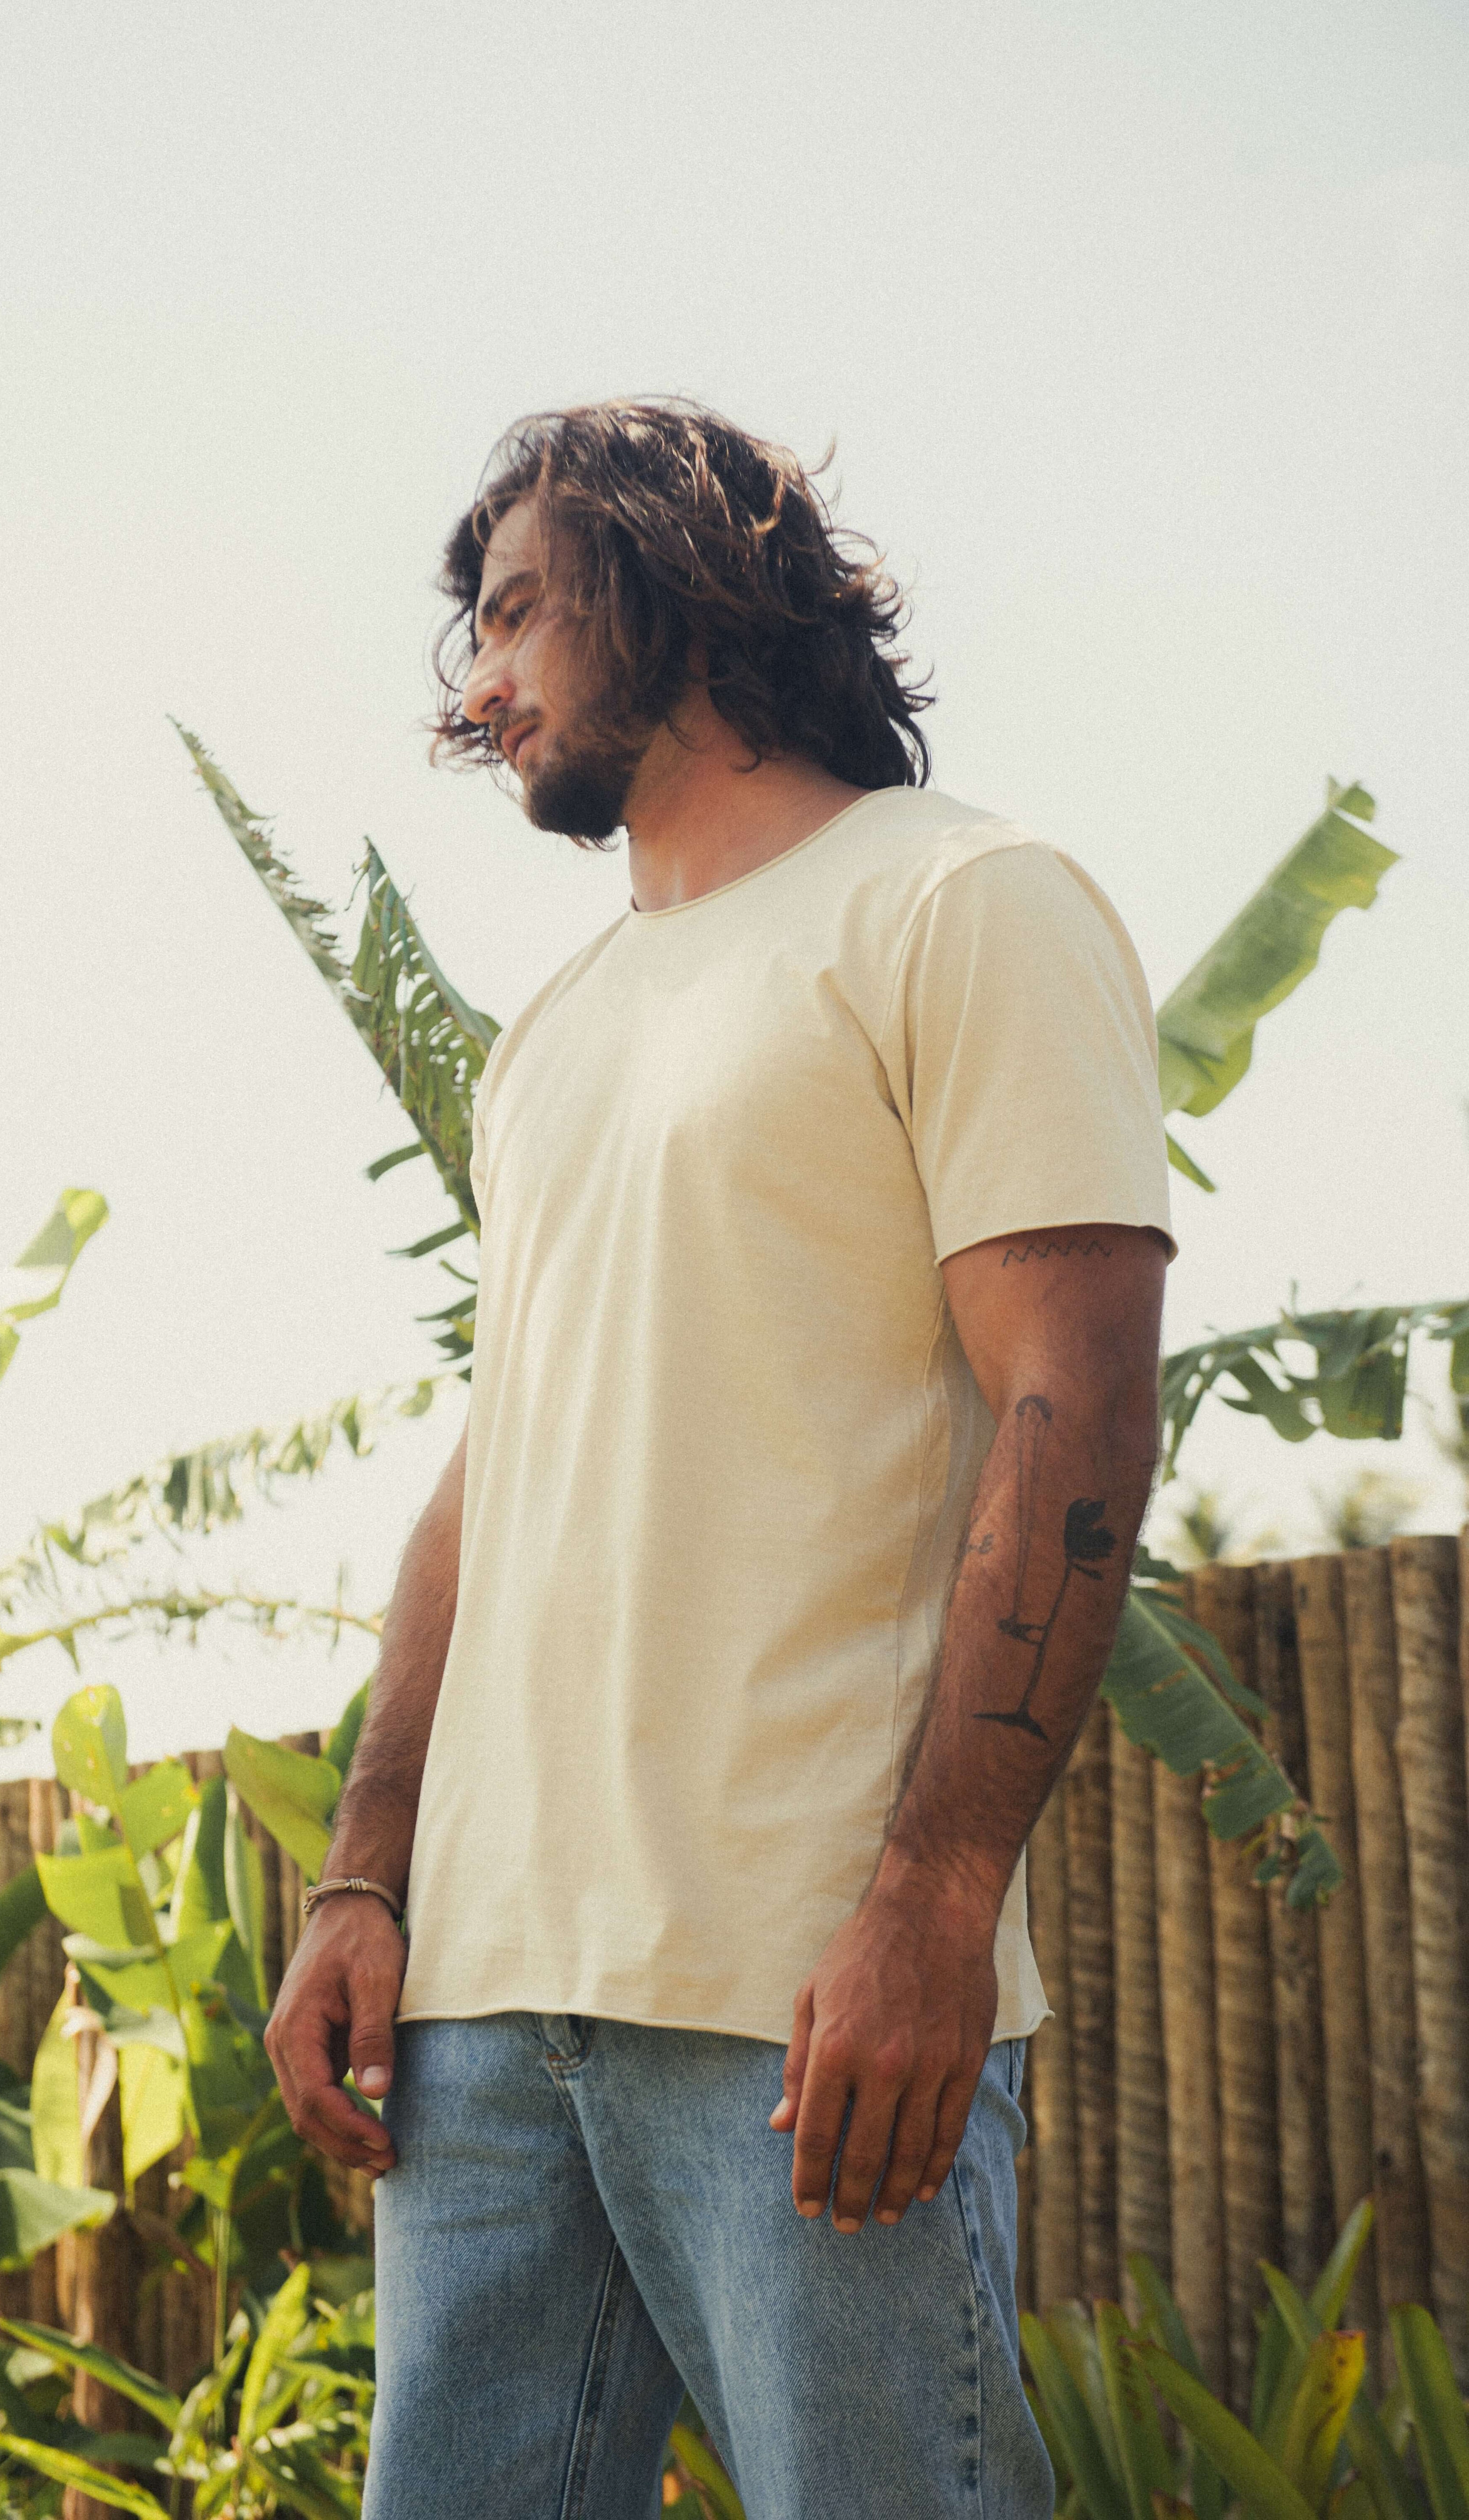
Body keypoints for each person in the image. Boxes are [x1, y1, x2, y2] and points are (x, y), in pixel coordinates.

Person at [266, 400, 1172, 2517]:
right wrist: (367, 1873)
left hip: (793, 1998)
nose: (471, 687)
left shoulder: (959, 901)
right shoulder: (556, 1032)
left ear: (663, 574)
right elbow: (492, 1481)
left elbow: (1075, 1412)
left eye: (508, 615)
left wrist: (936, 1901)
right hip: (486, 2019)